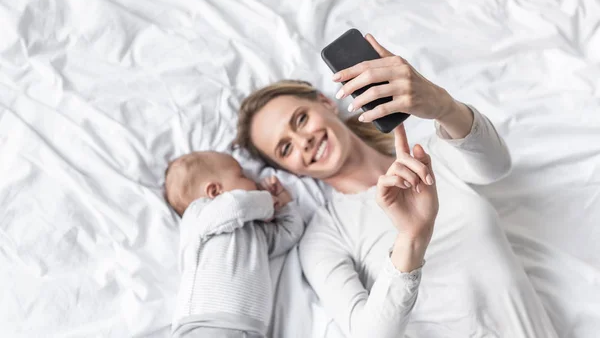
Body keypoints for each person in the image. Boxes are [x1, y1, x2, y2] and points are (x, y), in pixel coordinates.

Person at [234, 34, 558, 337]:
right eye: (285, 148)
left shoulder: (429, 157)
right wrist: (411, 240)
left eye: (300, 119)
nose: (303, 141)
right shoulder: (324, 236)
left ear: (326, 102)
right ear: (288, 169)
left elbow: (497, 166)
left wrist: (443, 106)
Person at [164, 151, 304, 338]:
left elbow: (289, 233)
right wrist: (266, 199)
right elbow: (236, 206)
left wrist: (285, 203)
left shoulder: (257, 231)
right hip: (205, 326)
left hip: (252, 330)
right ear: (214, 191)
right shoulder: (199, 214)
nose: (254, 182)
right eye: (243, 176)